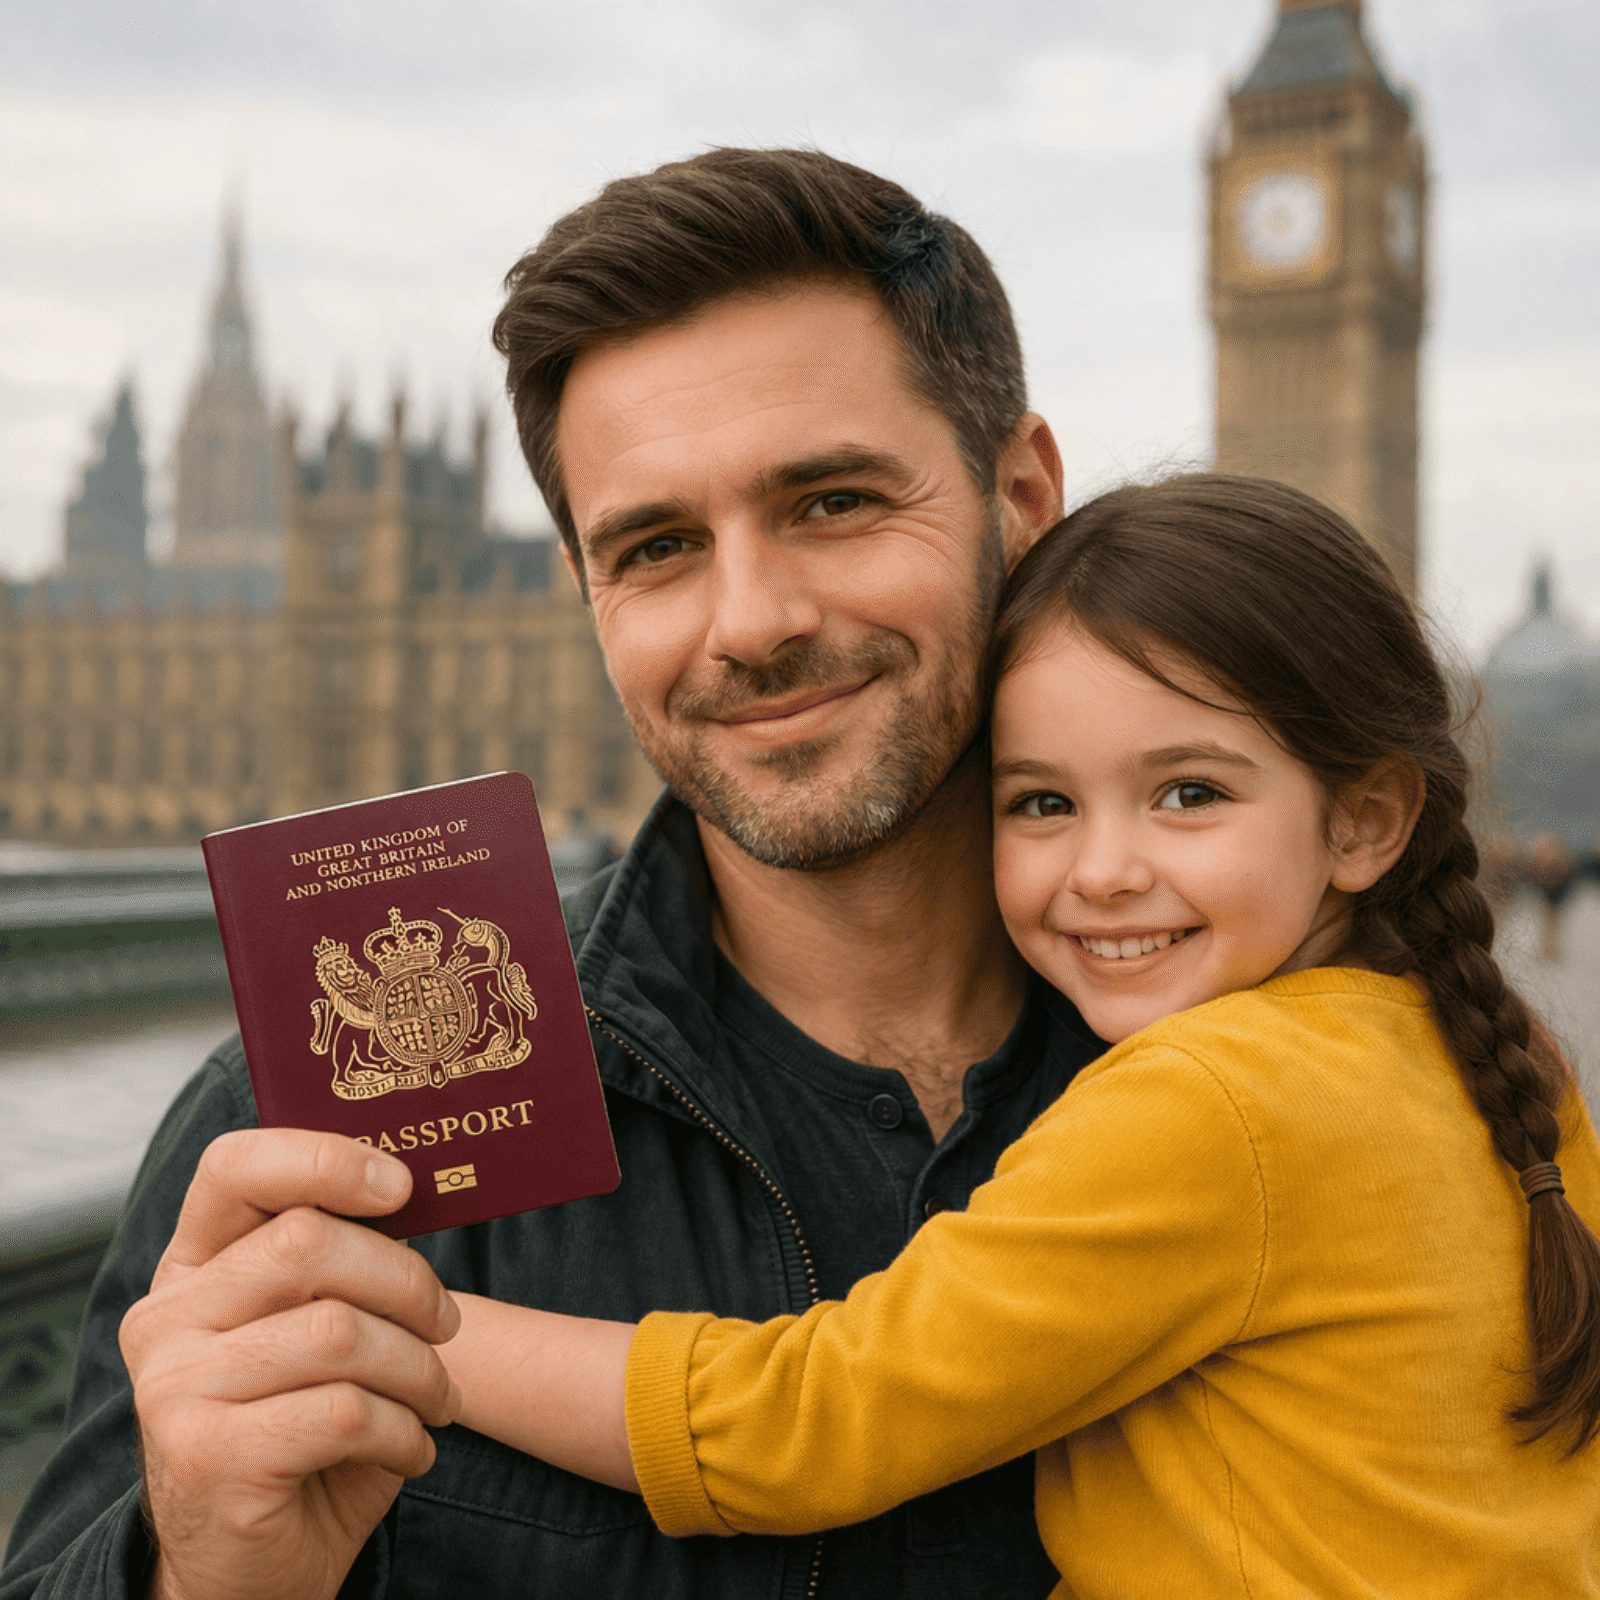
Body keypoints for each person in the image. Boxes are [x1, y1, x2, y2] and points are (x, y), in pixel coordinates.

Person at [0, 149, 1099, 1600]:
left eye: (833, 501)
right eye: (657, 546)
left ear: (1020, 496)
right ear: (583, 589)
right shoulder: (311, 1122)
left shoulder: (1291, 1040)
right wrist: (198, 1577)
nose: (751, 620)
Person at [436, 477, 1600, 1597]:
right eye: (1042, 802)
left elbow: (808, 1424)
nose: (1104, 871)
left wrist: (420, 1332)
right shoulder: (1499, 1062)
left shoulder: (1207, 1101)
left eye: (1189, 793)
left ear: (1363, 820)